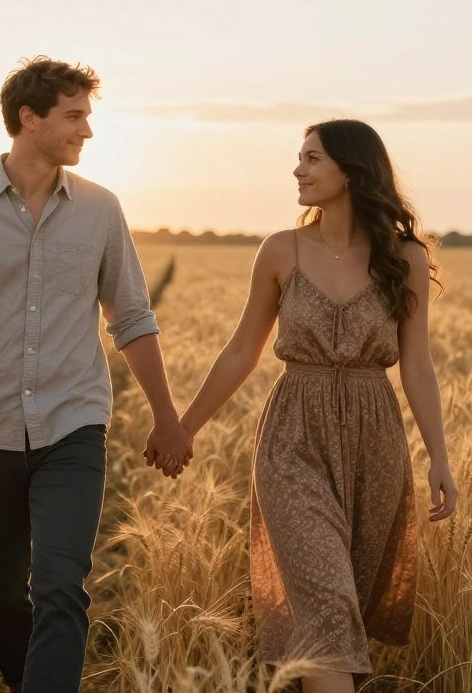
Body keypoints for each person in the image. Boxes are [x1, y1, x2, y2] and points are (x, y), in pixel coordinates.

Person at [0, 56, 192, 693]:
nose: (87, 130)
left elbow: (132, 317)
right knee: (5, 592)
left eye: (87, 116)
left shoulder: (101, 209)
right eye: (74, 116)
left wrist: (167, 417)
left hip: (73, 423)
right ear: (29, 119)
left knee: (61, 585)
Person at [178, 119, 457, 693]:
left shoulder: (403, 257)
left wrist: (439, 457)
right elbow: (241, 350)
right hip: (293, 439)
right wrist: (185, 427)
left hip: (375, 441)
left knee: (342, 607)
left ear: (351, 171)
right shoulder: (280, 250)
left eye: (312, 159)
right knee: (327, 604)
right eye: (300, 158)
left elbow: (417, 365)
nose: (298, 170)